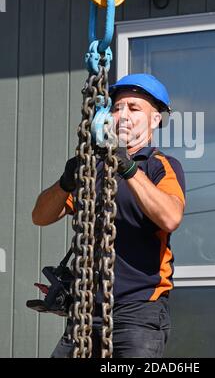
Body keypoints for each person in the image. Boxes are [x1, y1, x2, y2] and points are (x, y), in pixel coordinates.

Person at [32, 73, 186, 358]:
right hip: (86, 312)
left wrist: (127, 168)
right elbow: (40, 216)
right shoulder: (94, 171)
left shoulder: (160, 166)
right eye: (117, 108)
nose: (122, 115)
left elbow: (171, 217)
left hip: (138, 313)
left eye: (134, 108)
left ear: (155, 120)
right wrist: (66, 182)